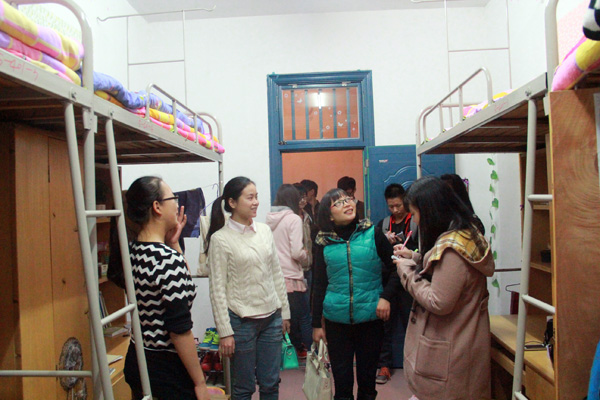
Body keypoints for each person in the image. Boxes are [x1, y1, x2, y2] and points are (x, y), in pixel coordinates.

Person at [393, 176, 495, 400]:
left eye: (415, 213)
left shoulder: (451, 250)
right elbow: (446, 274)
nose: (415, 220)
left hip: (454, 348)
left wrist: (406, 272)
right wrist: (415, 257)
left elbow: (438, 301)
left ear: (430, 211)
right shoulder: (465, 233)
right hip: (461, 341)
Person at [123, 176, 209, 400]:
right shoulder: (167, 260)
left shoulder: (133, 251)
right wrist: (200, 382)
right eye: (173, 199)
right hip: (165, 368)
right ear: (157, 207)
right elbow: (179, 330)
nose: (177, 205)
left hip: (137, 358)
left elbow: (182, 284)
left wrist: (173, 244)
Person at [205, 176, 291, 400]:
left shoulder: (264, 231)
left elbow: (276, 273)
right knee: (243, 388)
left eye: (256, 197)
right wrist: (225, 331)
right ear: (232, 202)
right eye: (250, 197)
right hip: (241, 321)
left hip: (271, 318)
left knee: (270, 383)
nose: (256, 202)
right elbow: (217, 290)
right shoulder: (220, 239)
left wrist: (285, 312)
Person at [312, 188, 399, 400]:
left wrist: (386, 297)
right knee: (342, 384)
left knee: (367, 383)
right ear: (329, 215)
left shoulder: (373, 233)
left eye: (348, 199)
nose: (347, 204)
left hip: (370, 319)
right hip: (336, 321)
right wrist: (316, 324)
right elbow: (319, 284)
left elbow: (396, 269)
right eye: (339, 202)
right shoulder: (323, 242)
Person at [373, 183, 418, 385]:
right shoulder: (383, 224)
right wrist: (385, 240)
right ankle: (384, 365)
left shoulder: (415, 222)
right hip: (388, 280)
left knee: (412, 325)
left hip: (410, 281)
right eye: (391, 206)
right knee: (384, 326)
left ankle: (417, 367)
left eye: (398, 205)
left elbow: (424, 251)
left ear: (405, 202)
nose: (395, 210)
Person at [266, 184, 312, 359]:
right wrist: (306, 255)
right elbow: (296, 252)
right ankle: (313, 355)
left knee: (279, 319)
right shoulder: (293, 219)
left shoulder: (269, 219)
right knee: (304, 318)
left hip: (274, 276)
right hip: (292, 277)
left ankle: (283, 355)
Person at [293, 182, 314, 297]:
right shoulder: (290, 218)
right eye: (299, 197)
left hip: (308, 267)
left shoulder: (307, 215)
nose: (302, 200)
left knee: (307, 301)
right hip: (295, 269)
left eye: (304, 197)